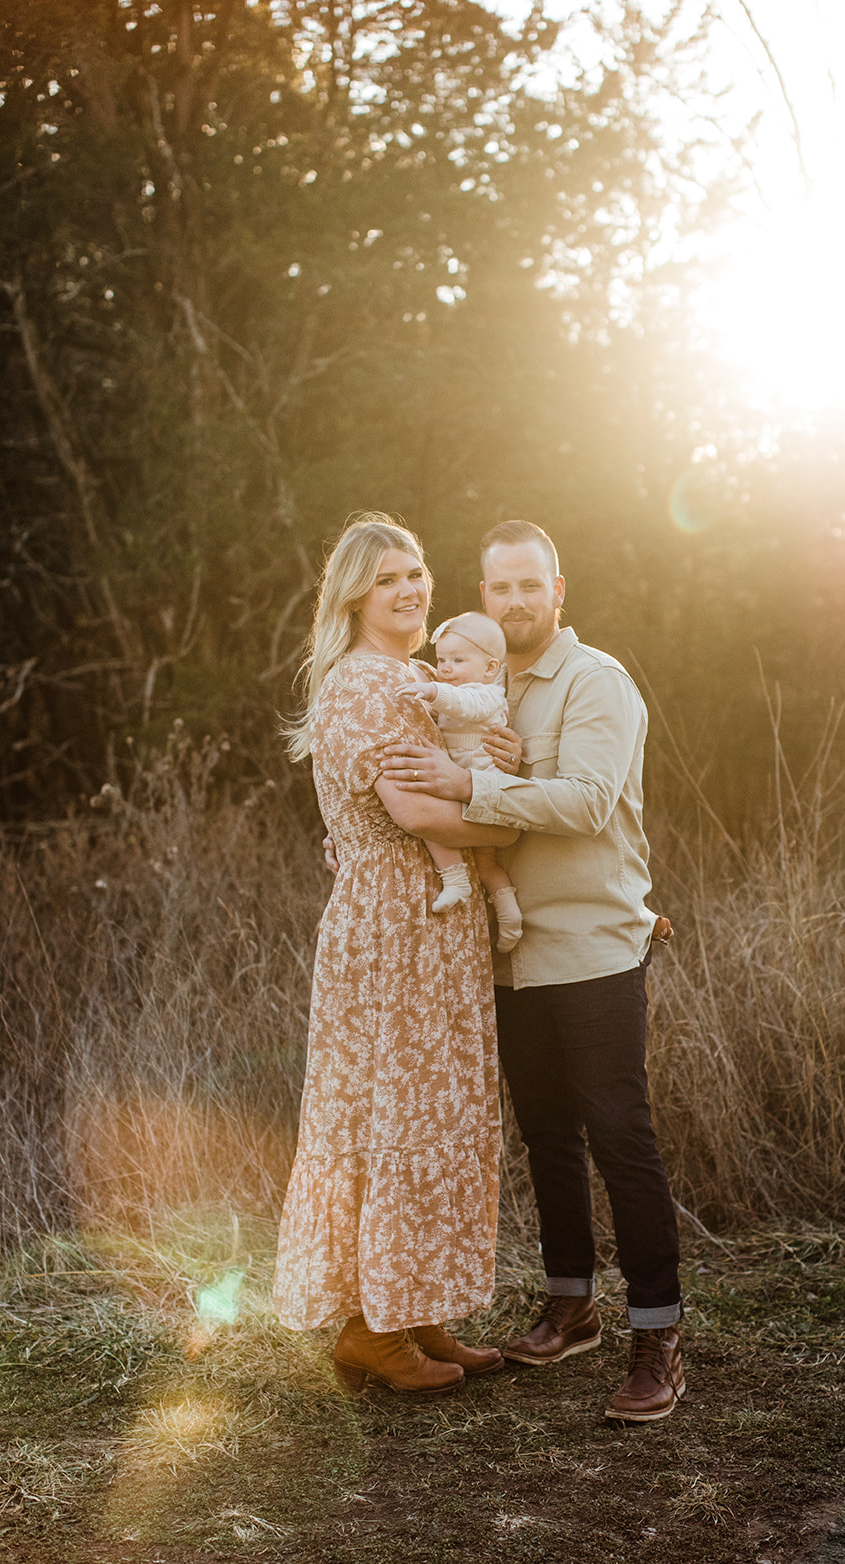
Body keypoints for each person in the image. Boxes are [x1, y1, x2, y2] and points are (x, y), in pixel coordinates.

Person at [379, 519, 685, 1423]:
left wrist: (464, 785)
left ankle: (657, 1337)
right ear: (482, 596)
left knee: (620, 1134)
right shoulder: (476, 681)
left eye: (529, 586)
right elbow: (411, 790)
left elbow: (589, 803)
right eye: (497, 587)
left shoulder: (596, 683)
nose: (512, 602)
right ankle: (569, 1304)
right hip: (508, 955)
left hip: (591, 945)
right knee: (546, 1134)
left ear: (559, 591)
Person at [272, 513, 518, 1397]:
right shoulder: (362, 686)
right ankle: (368, 1329)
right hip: (390, 927)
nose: (411, 590)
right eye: (388, 580)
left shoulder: (417, 679)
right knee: (389, 1116)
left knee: (433, 1115)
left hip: (434, 924)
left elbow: (461, 772)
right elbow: (415, 817)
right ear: (354, 596)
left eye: (417, 573)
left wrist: (493, 772)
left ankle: (411, 1307)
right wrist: (520, 819)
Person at [395, 611, 523, 953]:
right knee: (475, 855)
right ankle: (468, 889)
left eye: (457, 660)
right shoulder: (455, 695)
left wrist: (433, 690)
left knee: (477, 853)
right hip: (460, 786)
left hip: (483, 784)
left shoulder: (488, 695)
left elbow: (464, 705)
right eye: (441, 659)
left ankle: (497, 909)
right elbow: (448, 713)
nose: (446, 668)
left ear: (490, 669)